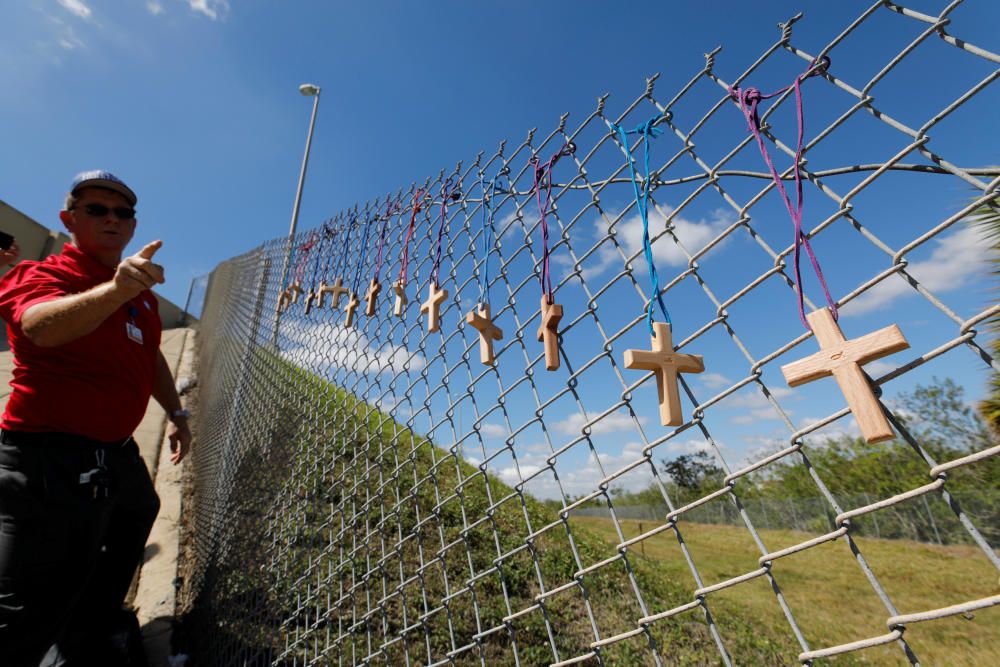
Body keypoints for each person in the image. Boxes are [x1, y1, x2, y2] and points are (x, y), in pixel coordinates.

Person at [0, 170, 192, 666]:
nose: (112, 219)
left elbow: (151, 358)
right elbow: (38, 327)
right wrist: (113, 292)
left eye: (122, 212)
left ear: (133, 226)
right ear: (68, 220)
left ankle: (94, 626)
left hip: (112, 450)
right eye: (96, 210)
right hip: (47, 453)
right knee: (25, 599)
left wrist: (176, 411)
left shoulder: (143, 297)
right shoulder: (40, 276)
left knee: (137, 512)